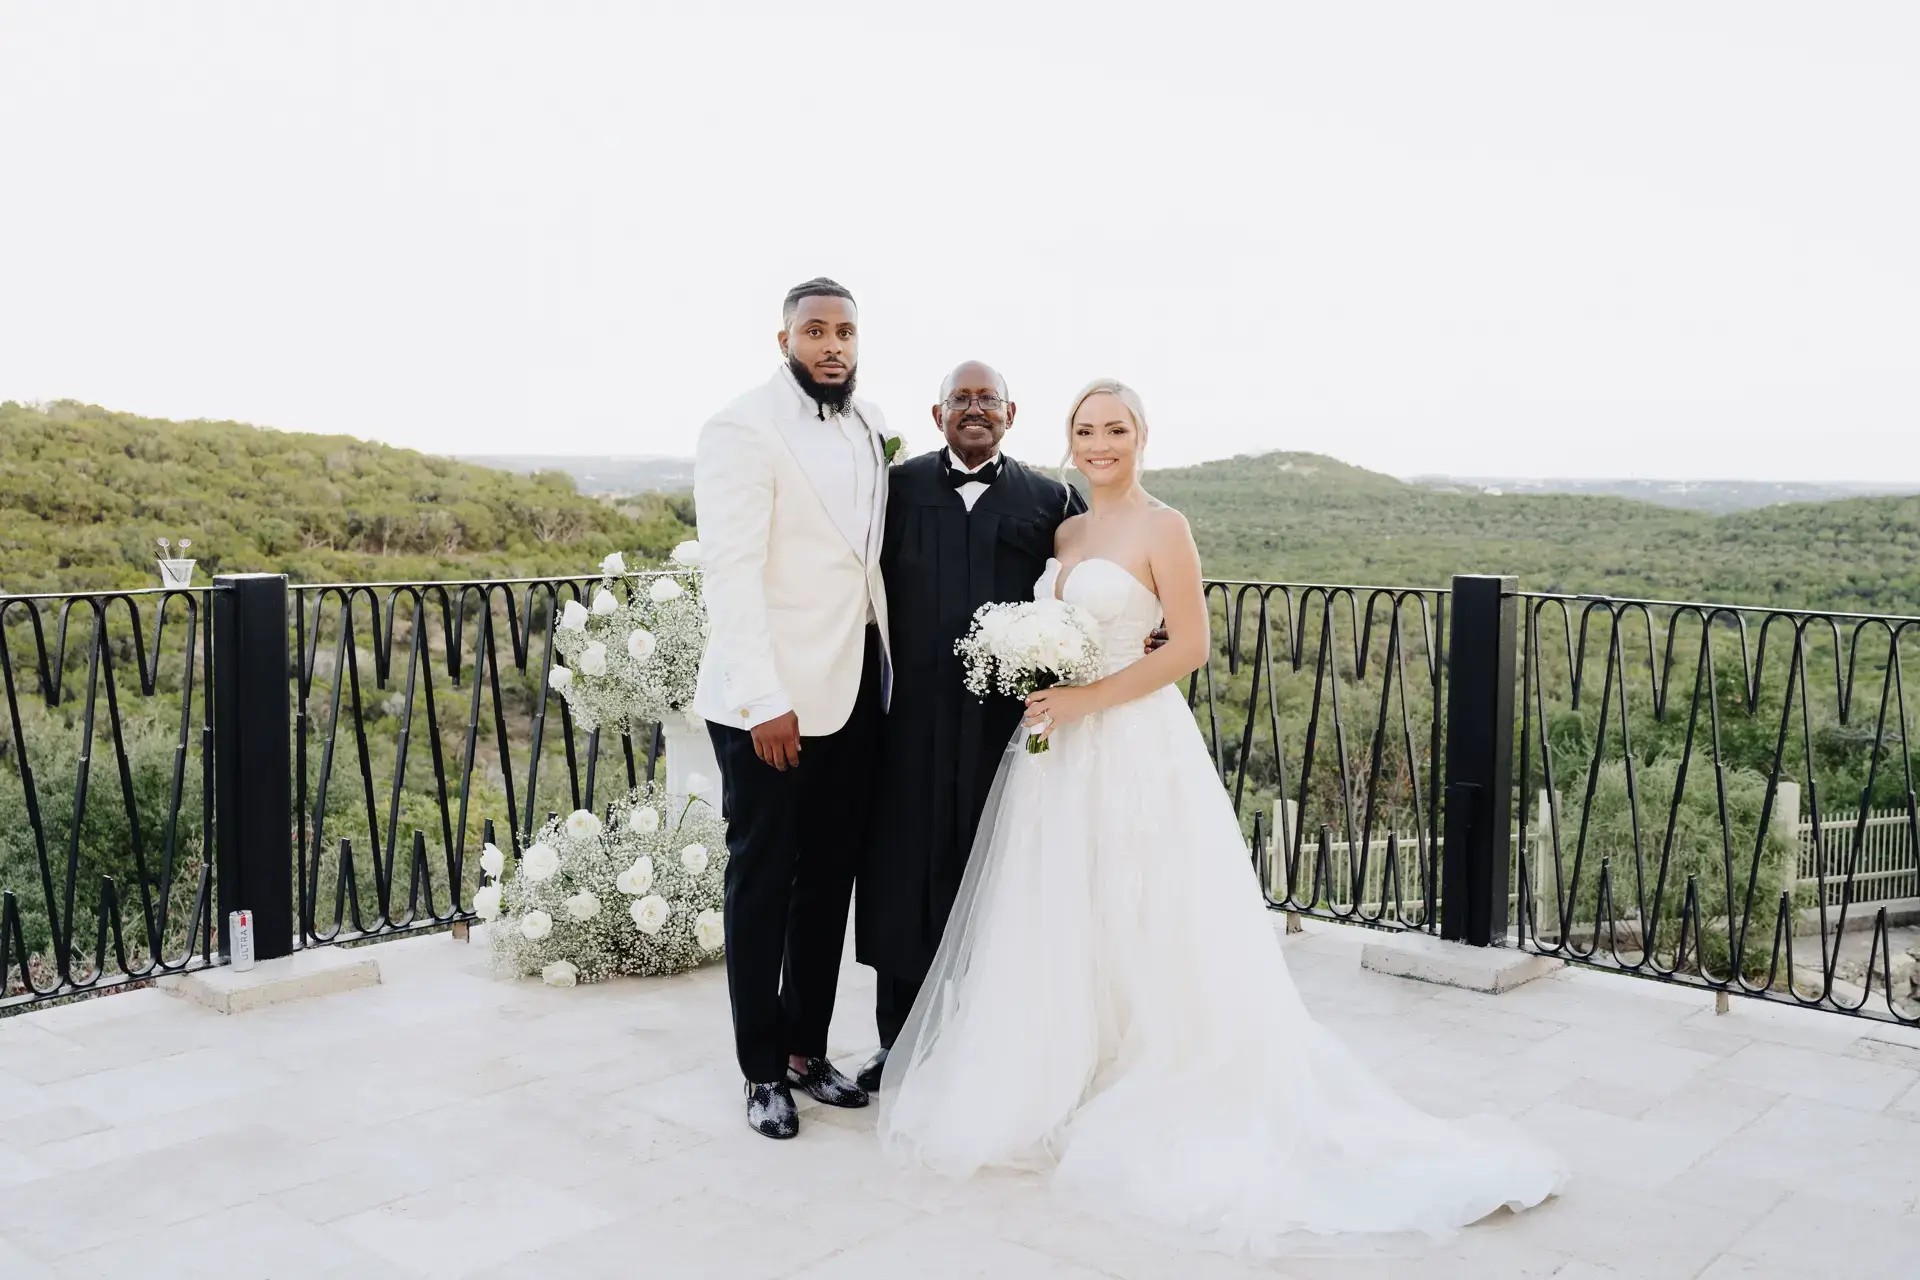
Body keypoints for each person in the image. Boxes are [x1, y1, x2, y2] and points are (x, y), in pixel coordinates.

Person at [877, 379, 1565, 1252]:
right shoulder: (1066, 529)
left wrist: (1088, 699)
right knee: (1067, 910)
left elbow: (1192, 647)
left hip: (1130, 739)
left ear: (1142, 436)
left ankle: (1150, 1072)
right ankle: (1071, 1068)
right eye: (1085, 430)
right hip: (1059, 755)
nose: (1099, 444)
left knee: (1146, 908)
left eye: (1115, 429)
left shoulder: (1167, 527)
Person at [693, 277, 891, 1140]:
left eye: (845, 332)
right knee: (764, 885)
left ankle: (808, 1052)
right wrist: (764, 699)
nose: (832, 346)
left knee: (827, 886)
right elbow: (730, 573)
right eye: (815, 331)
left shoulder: (865, 424)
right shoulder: (742, 427)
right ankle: (760, 1070)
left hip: (850, 693)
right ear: (785, 342)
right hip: (766, 704)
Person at [855, 361, 1083, 1092]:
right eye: (962, 398)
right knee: (901, 879)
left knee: (995, 880)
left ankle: (986, 1047)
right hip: (909, 722)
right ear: (937, 413)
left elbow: (1093, 581)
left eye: (989, 399)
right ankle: (899, 1043)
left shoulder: (1051, 499)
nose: (975, 409)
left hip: (1003, 730)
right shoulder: (897, 489)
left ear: (1012, 416)